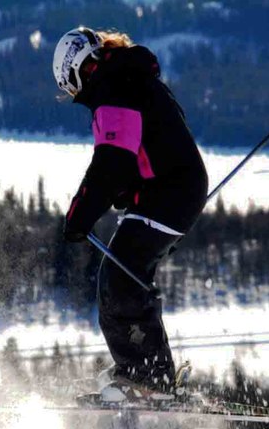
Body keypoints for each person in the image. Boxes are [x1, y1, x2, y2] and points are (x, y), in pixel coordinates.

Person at [52, 26, 208, 400]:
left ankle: (148, 377)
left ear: (74, 73)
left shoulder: (114, 86)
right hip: (170, 191)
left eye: (70, 88)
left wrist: (79, 215)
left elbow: (112, 161)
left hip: (169, 194)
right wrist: (128, 188)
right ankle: (148, 372)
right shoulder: (128, 77)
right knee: (126, 275)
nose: (76, 96)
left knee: (120, 278)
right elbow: (146, 147)